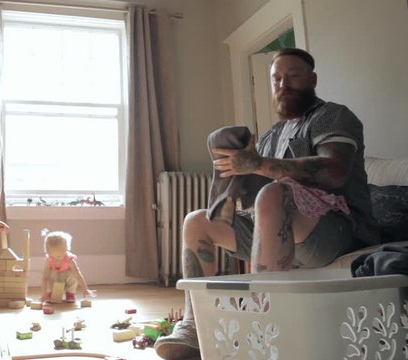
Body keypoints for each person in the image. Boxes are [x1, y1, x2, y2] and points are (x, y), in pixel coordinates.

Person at [154, 48, 380, 359]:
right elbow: (258, 198)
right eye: (276, 79)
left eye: (293, 76)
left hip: (336, 230)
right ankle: (195, 325)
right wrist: (234, 171)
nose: (283, 84)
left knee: (275, 193)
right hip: (279, 223)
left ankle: (263, 321)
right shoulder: (274, 133)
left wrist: (259, 165)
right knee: (196, 221)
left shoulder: (332, 115)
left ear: (312, 79)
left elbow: (334, 171)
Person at [39, 230, 95, 303]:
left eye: (59, 256)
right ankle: (53, 293)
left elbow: (78, 274)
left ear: (66, 250)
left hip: (67, 278)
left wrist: (85, 289)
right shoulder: (49, 259)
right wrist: (44, 294)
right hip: (56, 278)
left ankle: (70, 293)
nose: (56, 259)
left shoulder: (70, 260)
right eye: (52, 256)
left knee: (73, 274)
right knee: (51, 273)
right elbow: (45, 278)